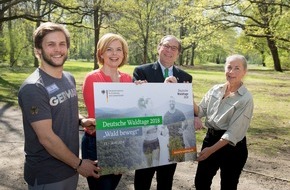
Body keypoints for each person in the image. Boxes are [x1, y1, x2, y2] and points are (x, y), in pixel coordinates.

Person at [18, 22, 100, 190]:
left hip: (68, 169)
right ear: (38, 50)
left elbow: (62, 110)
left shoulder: (68, 78)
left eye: (62, 44)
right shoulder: (34, 88)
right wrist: (79, 164)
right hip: (47, 175)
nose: (58, 49)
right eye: (51, 44)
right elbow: (46, 138)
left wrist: (82, 120)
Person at [132, 35, 193, 190]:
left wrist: (195, 116)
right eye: (166, 46)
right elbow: (138, 103)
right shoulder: (142, 71)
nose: (169, 50)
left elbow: (185, 104)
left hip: (171, 136)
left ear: (178, 53)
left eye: (174, 48)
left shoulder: (185, 77)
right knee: (143, 179)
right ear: (158, 48)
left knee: (166, 180)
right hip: (149, 136)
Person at [194, 54, 254, 190]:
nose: (231, 72)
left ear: (244, 72)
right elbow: (200, 111)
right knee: (201, 182)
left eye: (237, 68)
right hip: (211, 139)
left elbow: (233, 133)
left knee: (228, 185)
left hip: (232, 147)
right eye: (229, 67)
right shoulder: (215, 89)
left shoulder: (246, 98)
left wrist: (210, 151)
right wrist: (185, 95)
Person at [82, 33, 132, 190]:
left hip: (121, 143)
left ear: (124, 54)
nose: (114, 53)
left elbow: (131, 114)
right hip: (97, 144)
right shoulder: (92, 78)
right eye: (109, 49)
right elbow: (97, 118)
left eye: (119, 49)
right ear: (101, 53)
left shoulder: (128, 79)